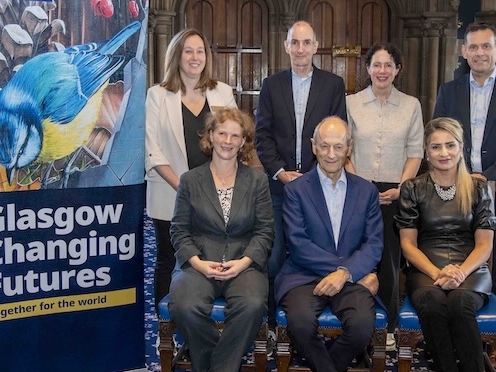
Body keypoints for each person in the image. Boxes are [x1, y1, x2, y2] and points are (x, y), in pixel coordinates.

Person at [433, 22, 496, 311]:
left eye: (486, 46)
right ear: (464, 51)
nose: (480, 53)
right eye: (474, 47)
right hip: (455, 191)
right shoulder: (449, 91)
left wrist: (490, 177)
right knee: (455, 264)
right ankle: (458, 327)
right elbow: (439, 137)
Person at [255, 20, 347, 330]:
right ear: (286, 46)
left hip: (319, 189)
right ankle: (271, 324)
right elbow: (262, 136)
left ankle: (315, 322)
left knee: (318, 254)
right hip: (279, 187)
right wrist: (280, 172)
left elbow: (337, 135)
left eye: (306, 42)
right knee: (274, 257)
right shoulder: (271, 84)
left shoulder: (333, 85)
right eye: (294, 42)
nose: (300, 49)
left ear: (315, 46)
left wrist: (312, 177)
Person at [168, 108, 273, 372]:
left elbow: (265, 231)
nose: (228, 141)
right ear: (211, 136)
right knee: (184, 305)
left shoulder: (257, 181)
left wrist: (244, 262)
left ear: (243, 142)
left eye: (235, 136)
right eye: (222, 133)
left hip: (244, 264)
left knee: (251, 304)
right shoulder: (190, 180)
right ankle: (219, 363)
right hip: (199, 263)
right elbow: (179, 230)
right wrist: (198, 263)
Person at [275, 117, 382, 372]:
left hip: (350, 278)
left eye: (338, 146)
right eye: (324, 146)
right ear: (313, 146)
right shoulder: (295, 190)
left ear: (349, 147)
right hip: (304, 275)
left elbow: (374, 243)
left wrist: (345, 274)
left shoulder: (367, 191)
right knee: (300, 324)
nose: (331, 154)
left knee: (361, 327)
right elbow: (298, 244)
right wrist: (345, 270)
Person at [395, 117, 496, 372]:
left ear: (460, 148)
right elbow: (408, 245)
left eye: (450, 145)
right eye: (436, 147)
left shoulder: (478, 187)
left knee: (460, 305)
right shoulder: (412, 188)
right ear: (426, 152)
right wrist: (438, 273)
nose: (444, 153)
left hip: (472, 270)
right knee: (431, 303)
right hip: (426, 270)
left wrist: (460, 272)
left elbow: (485, 245)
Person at [145, 29, 238, 309]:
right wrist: (186, 188)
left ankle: (203, 320)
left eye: (200, 51)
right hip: (170, 195)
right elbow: (153, 151)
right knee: (167, 259)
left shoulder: (222, 92)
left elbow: (236, 138)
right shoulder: (157, 95)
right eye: (188, 50)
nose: (195, 57)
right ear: (177, 55)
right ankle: (165, 330)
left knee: (209, 257)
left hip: (218, 196)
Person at [345, 42, 424, 347]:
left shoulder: (411, 105)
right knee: (358, 256)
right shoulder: (351, 104)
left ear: (397, 70)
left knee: (390, 260)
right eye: (376, 65)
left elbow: (415, 152)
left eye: (388, 65)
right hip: (357, 190)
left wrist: (403, 187)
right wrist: (362, 187)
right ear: (367, 69)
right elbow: (344, 150)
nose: (382, 71)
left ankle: (388, 327)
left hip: (397, 191)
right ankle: (357, 321)